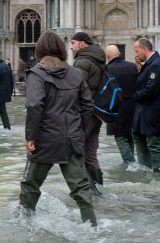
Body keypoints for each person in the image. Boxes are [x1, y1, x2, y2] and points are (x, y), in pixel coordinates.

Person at [18, 31, 96, 226]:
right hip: (72, 139)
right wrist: (80, 132)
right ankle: (92, 228)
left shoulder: (36, 73)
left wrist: (30, 137)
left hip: (45, 140)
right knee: (81, 189)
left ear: (40, 50)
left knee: (30, 186)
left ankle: (24, 227)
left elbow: (35, 106)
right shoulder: (76, 73)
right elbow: (88, 107)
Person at [70, 31, 104, 195]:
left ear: (82, 44)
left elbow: (76, 88)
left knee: (77, 151)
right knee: (91, 151)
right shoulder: (99, 58)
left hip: (84, 112)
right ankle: (99, 187)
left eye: (73, 43)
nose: (71, 47)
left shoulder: (82, 61)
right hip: (96, 111)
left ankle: (89, 191)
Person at [131, 38, 160, 174]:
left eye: (137, 51)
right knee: (139, 138)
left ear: (145, 49)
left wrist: (135, 96)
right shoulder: (149, 64)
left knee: (154, 144)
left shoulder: (157, 64)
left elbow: (151, 89)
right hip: (144, 111)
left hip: (153, 112)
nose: (136, 54)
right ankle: (145, 171)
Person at [104, 45, 141, 165]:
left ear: (108, 56)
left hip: (116, 108)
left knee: (120, 137)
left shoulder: (107, 69)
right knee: (129, 135)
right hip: (133, 108)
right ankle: (132, 161)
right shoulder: (132, 66)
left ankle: (130, 163)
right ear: (119, 54)